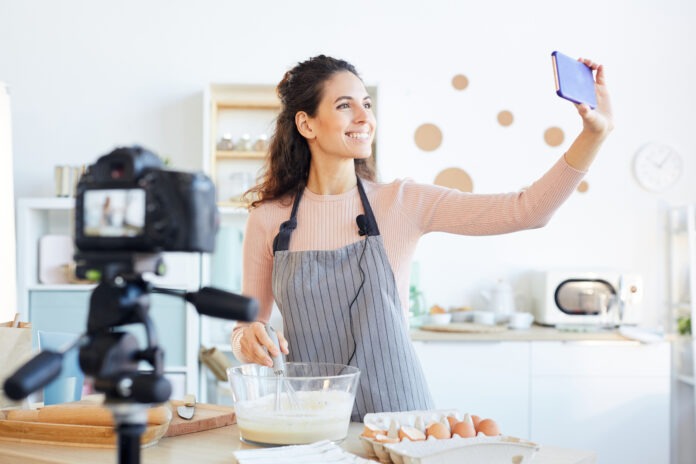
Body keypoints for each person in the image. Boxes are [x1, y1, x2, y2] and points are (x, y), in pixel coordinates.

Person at [231, 54, 613, 421]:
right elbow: (246, 326)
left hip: (402, 421)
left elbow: (528, 210)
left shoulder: (402, 202)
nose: (365, 117)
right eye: (346, 106)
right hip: (308, 418)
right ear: (307, 124)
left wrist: (595, 134)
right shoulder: (269, 219)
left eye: (367, 104)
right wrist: (247, 338)